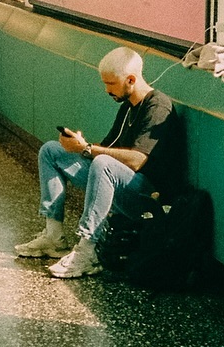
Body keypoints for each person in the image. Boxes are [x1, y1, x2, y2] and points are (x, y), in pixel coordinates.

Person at [18, 46, 181, 279]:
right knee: (51, 151)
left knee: (103, 163)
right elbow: (107, 149)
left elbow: (137, 160)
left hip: (146, 198)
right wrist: (81, 146)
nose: (107, 90)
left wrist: (87, 149)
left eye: (111, 84)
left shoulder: (157, 107)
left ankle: (87, 251)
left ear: (131, 80)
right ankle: (54, 237)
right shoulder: (127, 108)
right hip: (120, 184)